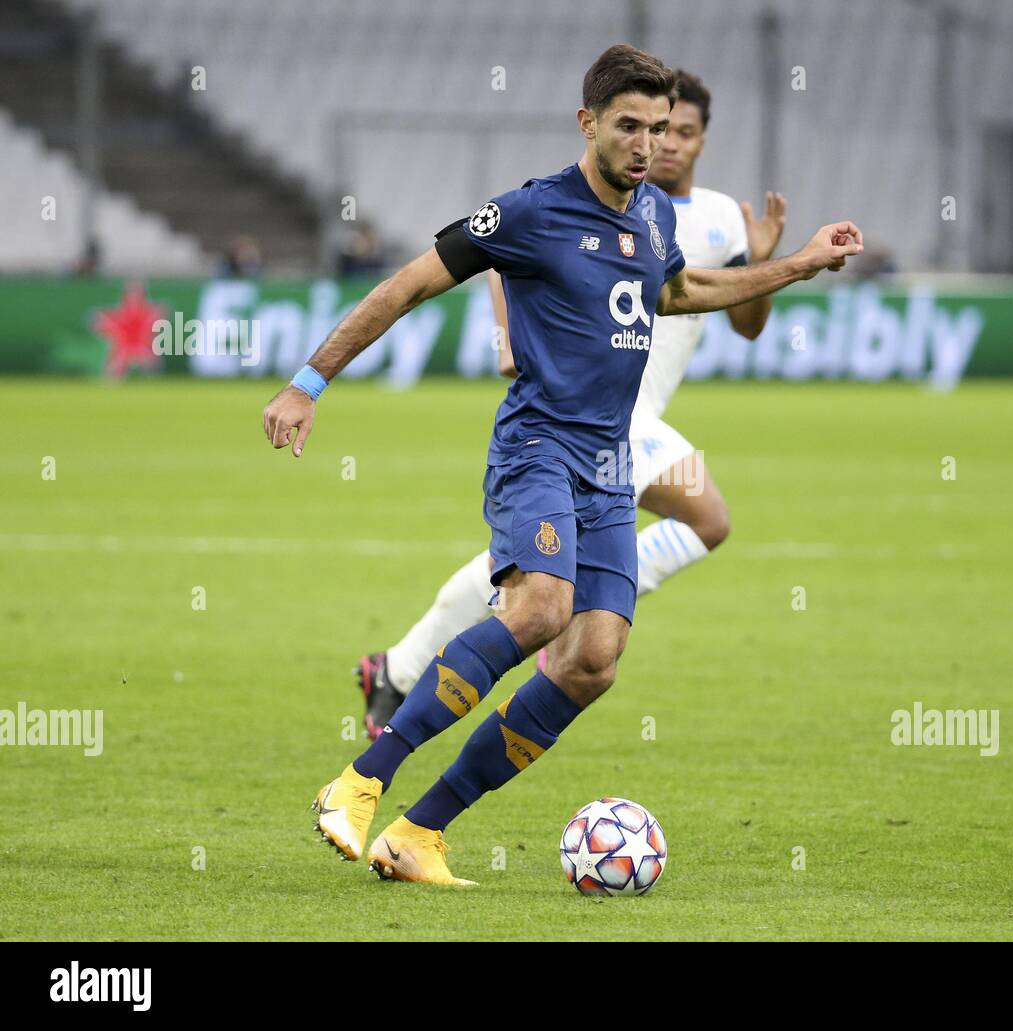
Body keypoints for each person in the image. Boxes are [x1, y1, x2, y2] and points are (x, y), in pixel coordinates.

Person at [261, 44, 862, 886]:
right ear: (588, 123)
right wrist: (308, 381)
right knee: (541, 609)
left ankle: (418, 834)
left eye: (659, 128)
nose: (647, 143)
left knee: (593, 660)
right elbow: (405, 286)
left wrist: (798, 263)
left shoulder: (653, 217)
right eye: (629, 126)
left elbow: (680, 293)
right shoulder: (529, 212)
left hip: (611, 463)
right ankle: (363, 776)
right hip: (538, 445)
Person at [356, 68, 789, 738]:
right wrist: (506, 334)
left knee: (533, 577)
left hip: (634, 419)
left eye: (681, 132)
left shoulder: (720, 217)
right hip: (588, 420)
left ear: (702, 140)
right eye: (653, 129)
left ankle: (401, 666)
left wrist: (765, 263)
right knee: (703, 518)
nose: (664, 144)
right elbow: (501, 256)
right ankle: (411, 668)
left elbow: (749, 323)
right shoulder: (585, 197)